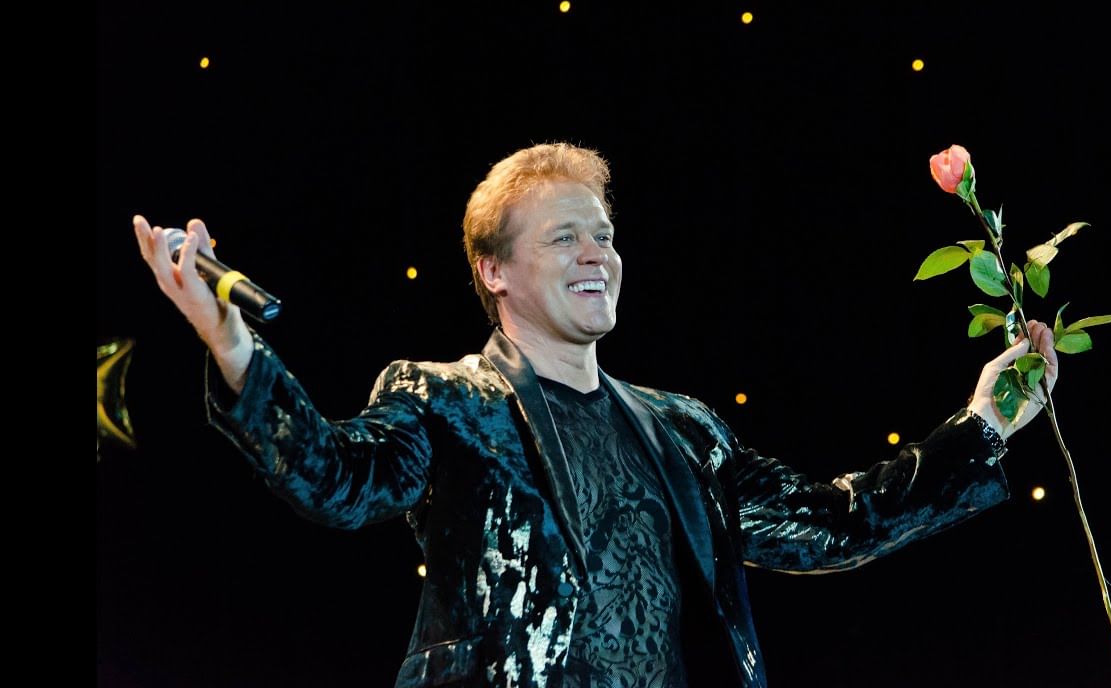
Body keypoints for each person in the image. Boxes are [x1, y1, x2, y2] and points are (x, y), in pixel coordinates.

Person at [132, 142, 1059, 688]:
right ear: (495, 270)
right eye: (564, 236)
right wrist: (232, 343)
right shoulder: (447, 398)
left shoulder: (684, 430)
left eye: (604, 235)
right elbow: (335, 480)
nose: (596, 254)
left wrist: (983, 424)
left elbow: (831, 524)